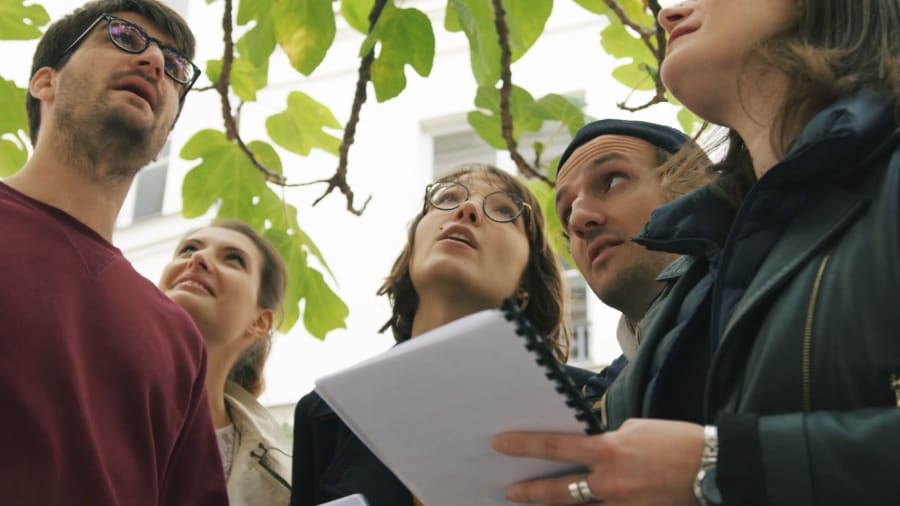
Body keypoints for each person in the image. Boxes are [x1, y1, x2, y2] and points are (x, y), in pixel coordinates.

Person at [493, 1, 900, 505]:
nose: (669, 14)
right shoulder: (700, 291)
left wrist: (721, 466)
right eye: (564, 212)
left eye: (613, 180)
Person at [0, 1, 227, 505]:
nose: (152, 62)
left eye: (174, 67)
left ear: (165, 133)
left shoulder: (179, 340)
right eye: (123, 36)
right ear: (45, 83)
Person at [290, 163, 582, 506]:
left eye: (505, 210)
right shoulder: (326, 413)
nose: (467, 209)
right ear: (411, 251)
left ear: (525, 282)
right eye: (448, 198)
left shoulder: (590, 402)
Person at [554, 119, 712, 397]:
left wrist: (708, 443)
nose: (578, 219)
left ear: (694, 187)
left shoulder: (775, 299)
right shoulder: (597, 404)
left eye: (612, 181)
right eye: (567, 213)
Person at [159, 220, 292, 505]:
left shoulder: (284, 479)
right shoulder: (89, 394)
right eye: (188, 249)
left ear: (259, 322)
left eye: (233, 259)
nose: (198, 258)